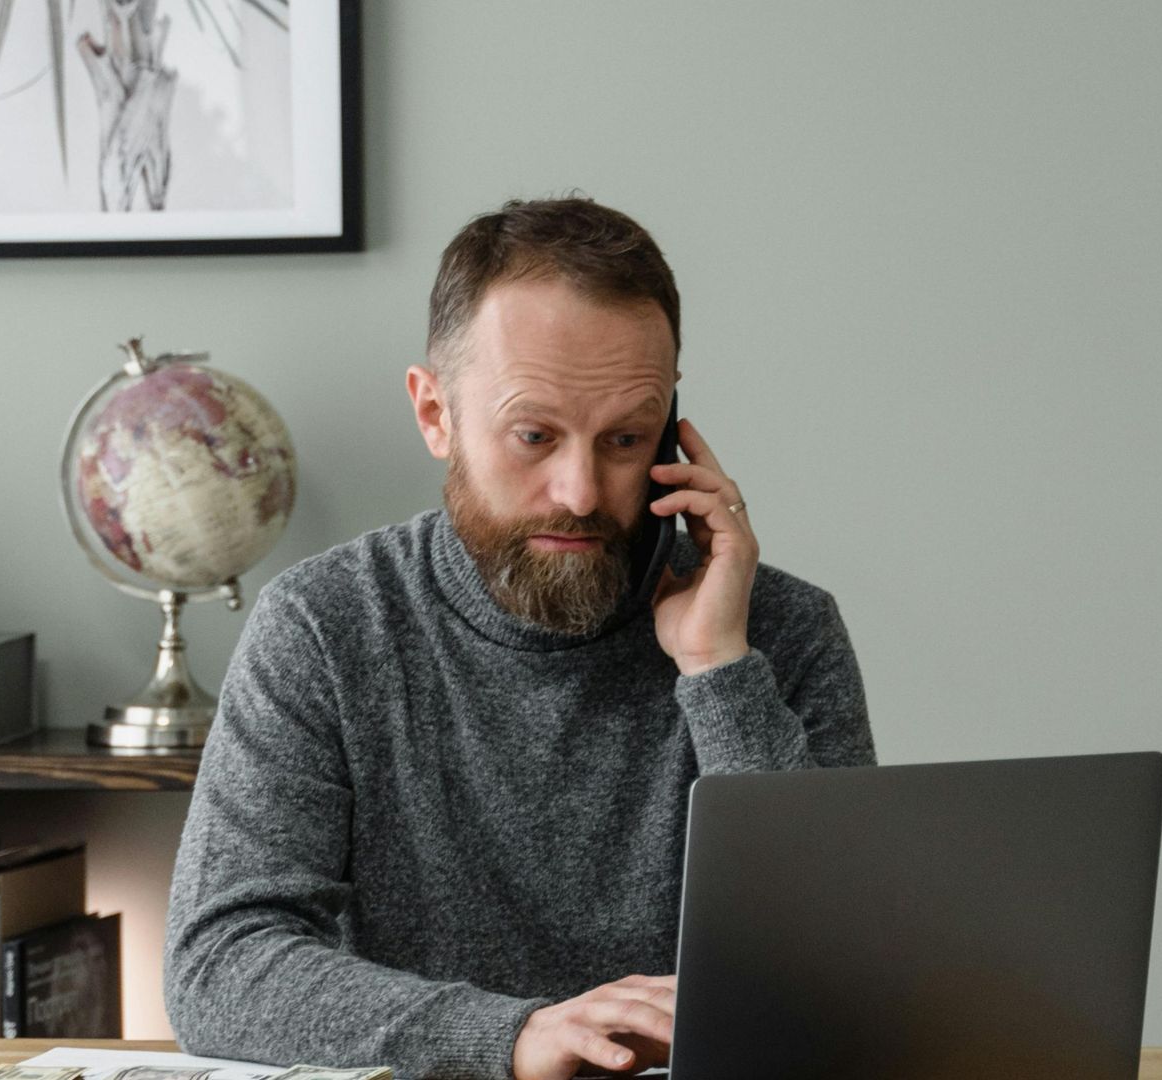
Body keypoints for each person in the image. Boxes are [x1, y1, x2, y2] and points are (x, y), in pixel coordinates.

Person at [164, 196, 874, 1080]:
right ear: (436, 415)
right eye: (534, 435)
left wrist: (718, 671)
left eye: (624, 438)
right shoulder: (324, 624)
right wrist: (513, 1037)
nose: (579, 489)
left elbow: (849, 979)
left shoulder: (779, 632)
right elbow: (221, 967)